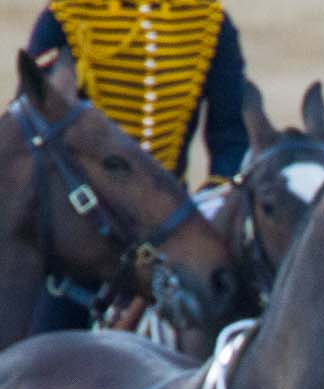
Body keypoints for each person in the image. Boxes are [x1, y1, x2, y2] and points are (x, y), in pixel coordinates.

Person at [25, 0, 249, 332]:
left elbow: (230, 136)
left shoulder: (207, 24)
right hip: (83, 230)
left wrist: (212, 203)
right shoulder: (68, 18)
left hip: (166, 235)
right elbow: (36, 123)